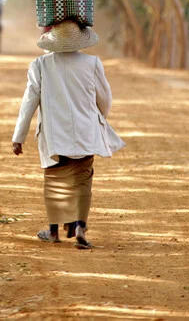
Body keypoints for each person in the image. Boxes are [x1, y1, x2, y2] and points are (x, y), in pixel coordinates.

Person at [12, 20, 125, 249]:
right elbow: (105, 100)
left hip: (54, 134)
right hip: (86, 130)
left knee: (55, 178)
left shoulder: (40, 65)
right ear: (79, 41)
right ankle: (80, 228)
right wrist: (98, 117)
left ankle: (54, 232)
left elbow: (29, 102)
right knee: (82, 179)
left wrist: (19, 136)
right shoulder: (92, 63)